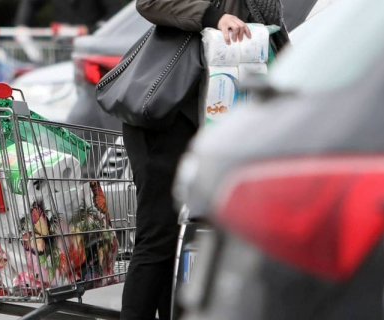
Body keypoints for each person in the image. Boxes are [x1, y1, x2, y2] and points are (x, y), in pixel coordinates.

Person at [120, 1, 289, 319]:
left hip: (206, 123)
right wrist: (215, 18)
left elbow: (277, 45)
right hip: (164, 116)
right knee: (159, 237)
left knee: (180, 241)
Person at [14, 0, 126, 33]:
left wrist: (89, 29)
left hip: (91, 43)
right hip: (61, 43)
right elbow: (30, 3)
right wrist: (21, 24)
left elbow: (115, 14)